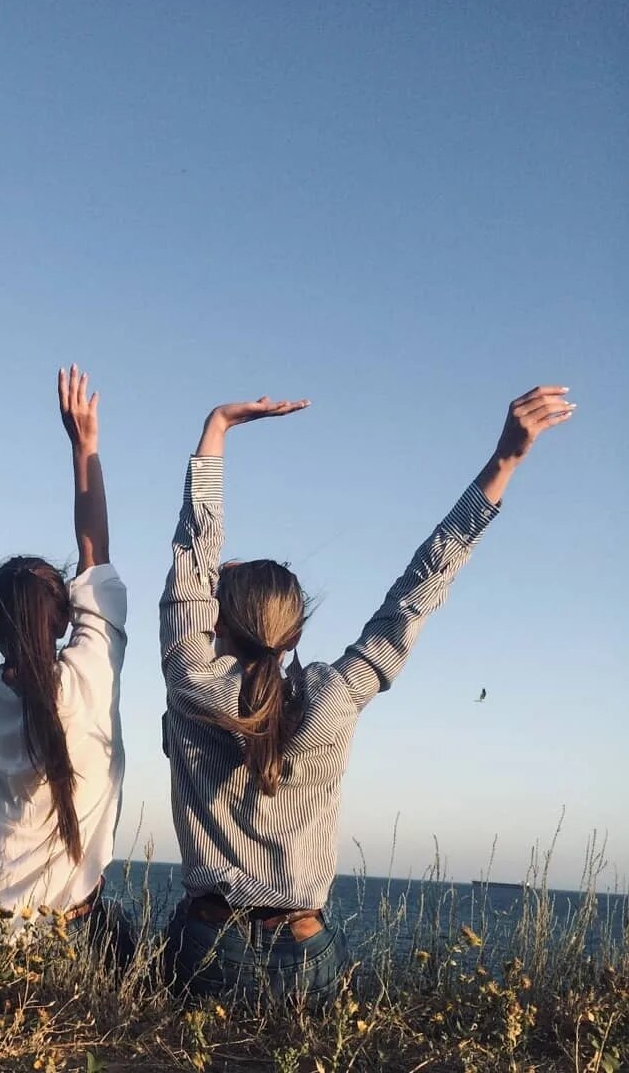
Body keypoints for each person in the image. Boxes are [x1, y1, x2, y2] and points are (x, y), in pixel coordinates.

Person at [159, 385, 575, 1003]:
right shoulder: (335, 695)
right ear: (294, 632)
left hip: (207, 943)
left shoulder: (190, 677)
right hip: (302, 946)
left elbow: (192, 564)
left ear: (214, 619)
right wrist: (502, 463)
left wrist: (215, 430)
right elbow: (417, 592)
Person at [0, 365, 128, 954]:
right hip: (66, 938)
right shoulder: (88, 682)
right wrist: (84, 447)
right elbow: (95, 559)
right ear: (64, 620)